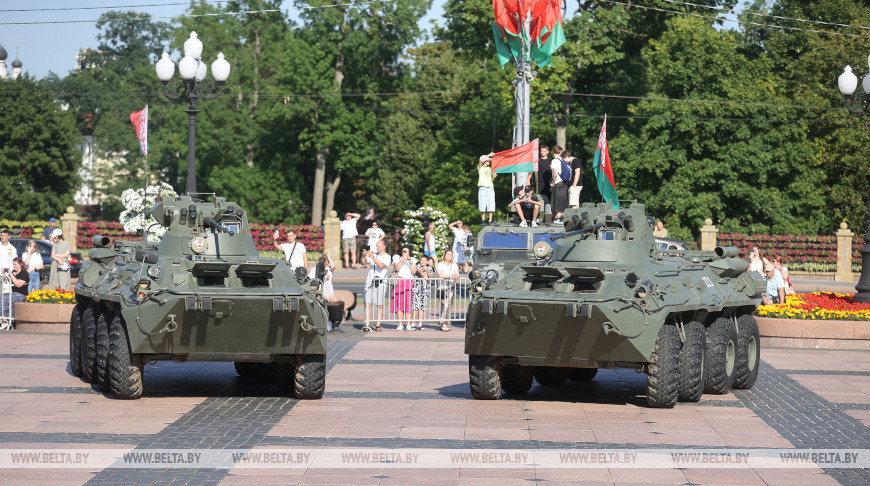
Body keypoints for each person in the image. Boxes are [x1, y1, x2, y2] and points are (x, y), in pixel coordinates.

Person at [363, 240, 391, 332]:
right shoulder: (374, 255)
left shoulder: (387, 257)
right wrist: (365, 254)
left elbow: (381, 265)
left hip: (381, 282)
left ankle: (378, 324)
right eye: (376, 246)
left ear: (384, 247)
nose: (377, 248)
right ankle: (367, 323)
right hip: (370, 281)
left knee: (380, 304)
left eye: (378, 246)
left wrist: (373, 257)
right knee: (367, 302)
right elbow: (364, 262)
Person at [436, 249, 460, 332]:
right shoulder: (440, 264)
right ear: (444, 256)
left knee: (448, 305)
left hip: (451, 287)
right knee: (444, 304)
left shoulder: (454, 265)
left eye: (451, 254)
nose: (449, 256)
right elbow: (440, 274)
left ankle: (445, 322)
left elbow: (457, 273)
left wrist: (456, 275)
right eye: (448, 254)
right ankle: (443, 323)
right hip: (442, 287)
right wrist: (450, 276)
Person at [392, 246, 415, 330]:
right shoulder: (397, 258)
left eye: (406, 251)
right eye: (403, 251)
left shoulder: (412, 259)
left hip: (408, 281)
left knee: (408, 302)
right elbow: (397, 268)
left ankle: (408, 324)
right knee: (399, 302)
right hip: (399, 280)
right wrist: (402, 260)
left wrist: (410, 261)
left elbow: (414, 271)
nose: (405, 253)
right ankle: (400, 323)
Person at [1, 258, 28, 330]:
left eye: (15, 264)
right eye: (13, 264)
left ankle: (6, 321)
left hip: (21, 294)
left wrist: (10, 274)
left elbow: (18, 284)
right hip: (13, 293)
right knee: (3, 299)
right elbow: (8, 281)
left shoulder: (24, 273)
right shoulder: (13, 272)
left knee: (6, 299)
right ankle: (5, 321)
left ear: (20, 264)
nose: (14, 266)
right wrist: (4, 274)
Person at [412, 255, 435, 330]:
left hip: (425, 290)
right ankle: (413, 323)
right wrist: (424, 275)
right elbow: (419, 270)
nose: (422, 262)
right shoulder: (418, 265)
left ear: (427, 261)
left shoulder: (429, 267)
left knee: (422, 306)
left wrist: (427, 270)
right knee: (415, 306)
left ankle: (420, 323)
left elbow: (431, 277)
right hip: (417, 288)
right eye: (421, 260)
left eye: (424, 260)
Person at [549, 145, 569, 224]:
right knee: (563, 201)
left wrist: (553, 183)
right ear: (560, 152)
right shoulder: (562, 160)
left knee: (557, 201)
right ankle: (562, 218)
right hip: (564, 183)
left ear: (553, 152)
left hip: (558, 183)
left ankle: (558, 218)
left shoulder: (554, 161)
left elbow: (555, 173)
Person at [478, 153, 497, 225]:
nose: (489, 162)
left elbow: (490, 180)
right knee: (482, 203)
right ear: (484, 161)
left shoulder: (490, 169)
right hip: (483, 187)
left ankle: (490, 219)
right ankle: (483, 220)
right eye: (488, 160)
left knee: (491, 202)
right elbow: (480, 161)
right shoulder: (480, 168)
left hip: (490, 187)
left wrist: (493, 177)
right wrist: (489, 155)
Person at [538, 144, 553, 210]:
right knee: (542, 199)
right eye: (542, 151)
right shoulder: (538, 161)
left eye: (544, 151)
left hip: (550, 183)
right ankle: (542, 215)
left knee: (550, 199)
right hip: (540, 183)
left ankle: (551, 215)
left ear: (547, 152)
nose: (543, 152)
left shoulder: (551, 160)